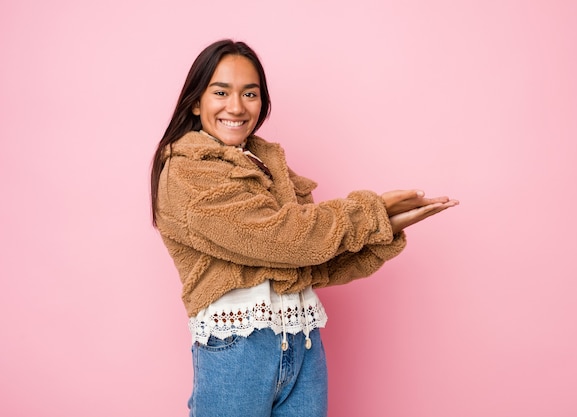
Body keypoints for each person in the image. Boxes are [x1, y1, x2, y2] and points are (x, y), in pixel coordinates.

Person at [150, 39, 459, 417]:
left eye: (251, 93)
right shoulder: (187, 170)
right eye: (220, 92)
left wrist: (385, 229)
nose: (236, 106)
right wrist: (371, 212)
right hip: (237, 351)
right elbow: (281, 237)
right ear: (196, 102)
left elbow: (309, 262)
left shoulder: (265, 164)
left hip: (302, 342)